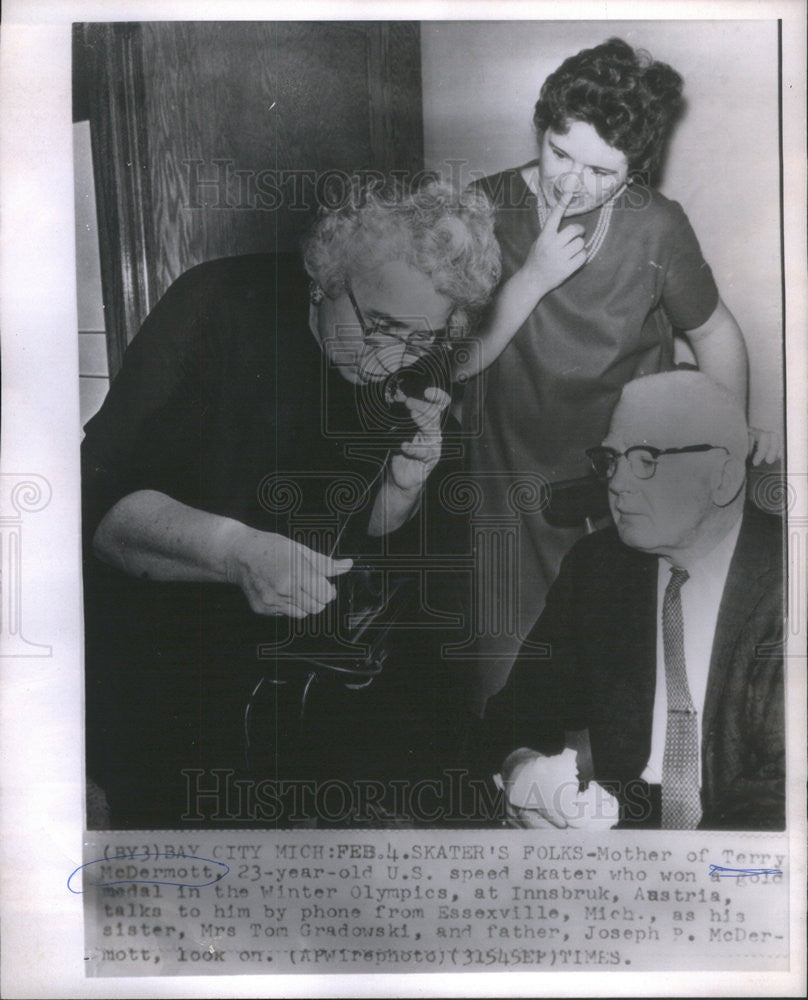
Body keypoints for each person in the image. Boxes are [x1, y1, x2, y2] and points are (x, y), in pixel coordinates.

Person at [82, 178, 501, 829]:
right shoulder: (215, 306)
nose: (394, 360)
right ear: (326, 278)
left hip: (288, 696)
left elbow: (358, 531)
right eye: (382, 328)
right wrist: (234, 550)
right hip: (162, 677)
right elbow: (98, 518)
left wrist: (404, 482)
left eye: (424, 341)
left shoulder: (400, 356)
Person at [454, 38, 779, 711]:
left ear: (636, 172)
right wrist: (534, 280)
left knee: (624, 688)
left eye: (603, 173)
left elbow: (714, 331)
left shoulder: (657, 228)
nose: (571, 183)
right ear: (542, 128)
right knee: (511, 695)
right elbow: (455, 360)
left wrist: (728, 444)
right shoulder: (480, 212)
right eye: (560, 152)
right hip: (509, 485)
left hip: (627, 483)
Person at [483, 371, 785, 831]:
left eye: (646, 459)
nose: (618, 483)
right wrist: (526, 775)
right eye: (611, 459)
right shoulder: (599, 568)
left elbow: (785, 787)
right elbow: (513, 715)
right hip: (625, 825)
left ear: (723, 476)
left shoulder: (791, 578)